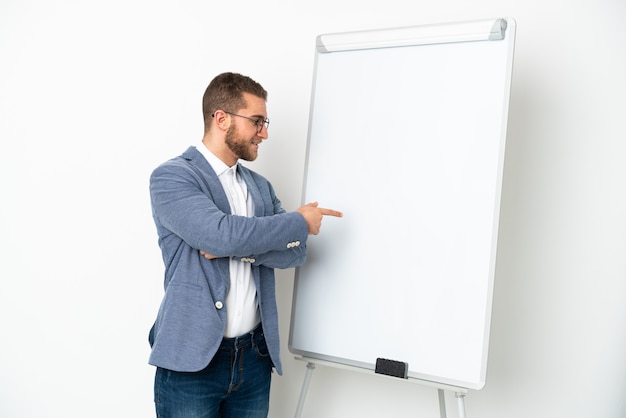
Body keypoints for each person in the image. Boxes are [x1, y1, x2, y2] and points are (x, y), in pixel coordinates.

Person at [147, 72, 342, 418]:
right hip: (192, 362)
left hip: (253, 358)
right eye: (257, 122)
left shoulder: (260, 187)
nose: (264, 133)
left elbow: (295, 252)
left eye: (264, 122)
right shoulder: (173, 177)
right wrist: (298, 222)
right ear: (221, 119)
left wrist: (240, 247)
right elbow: (220, 234)